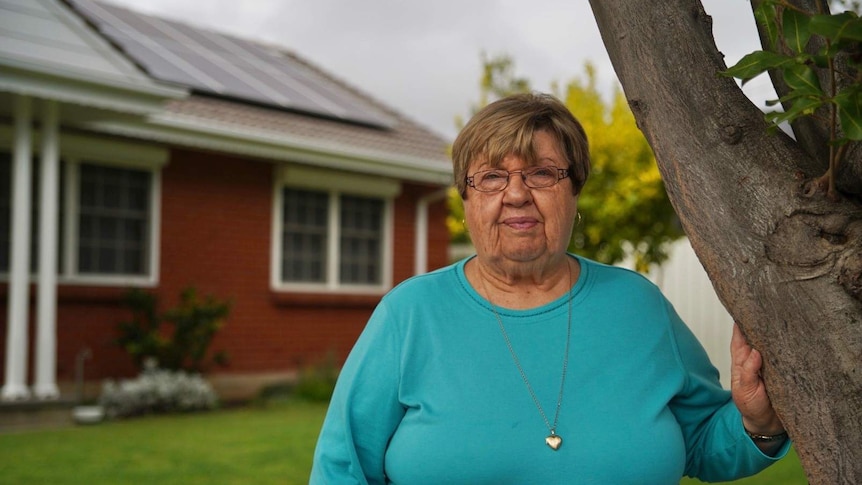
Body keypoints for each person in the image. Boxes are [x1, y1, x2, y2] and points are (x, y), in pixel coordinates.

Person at [310, 92, 789, 484]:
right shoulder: (410, 313)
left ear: (573, 190)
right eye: (492, 177)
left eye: (541, 173)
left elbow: (703, 443)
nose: (516, 194)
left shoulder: (637, 306)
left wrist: (758, 422)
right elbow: (342, 469)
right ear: (467, 201)